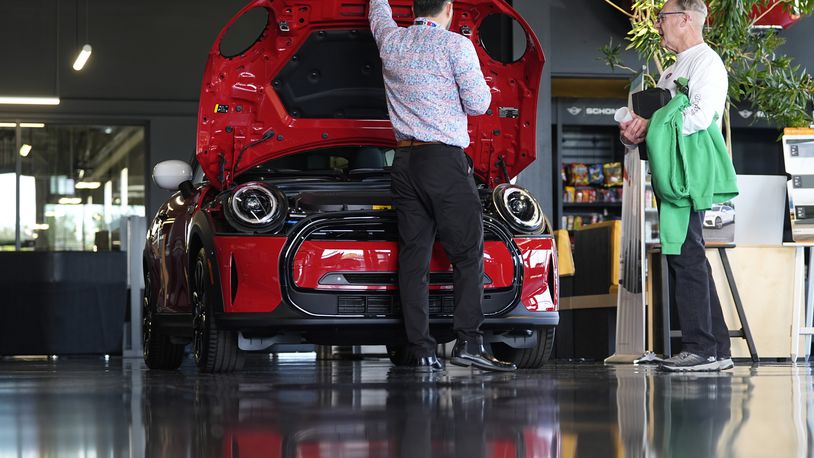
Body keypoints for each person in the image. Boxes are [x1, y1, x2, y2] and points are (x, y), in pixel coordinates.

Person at [368, 0, 516, 372]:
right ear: (449, 9)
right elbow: (480, 104)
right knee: (467, 254)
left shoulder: (392, 41)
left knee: (414, 258)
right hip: (443, 162)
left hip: (403, 163)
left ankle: (421, 349)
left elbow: (378, 14)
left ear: (415, 7)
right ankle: (468, 341)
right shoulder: (455, 46)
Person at [620, 0, 736, 372]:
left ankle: (700, 348)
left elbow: (701, 116)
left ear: (685, 19)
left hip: (689, 172)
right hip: (671, 173)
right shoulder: (672, 70)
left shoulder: (707, 62)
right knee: (688, 253)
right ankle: (716, 349)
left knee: (686, 253)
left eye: (663, 18)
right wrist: (633, 131)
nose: (658, 25)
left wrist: (652, 124)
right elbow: (659, 122)